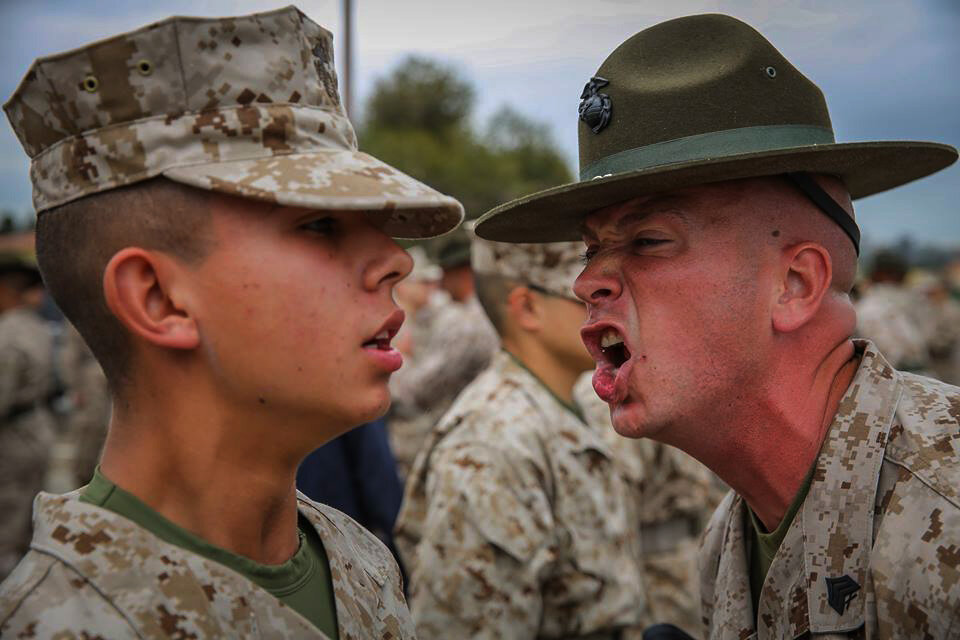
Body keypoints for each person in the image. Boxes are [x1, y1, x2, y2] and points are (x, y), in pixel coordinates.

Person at [475, 14, 959, 639]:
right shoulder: (728, 544)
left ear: (795, 285)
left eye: (649, 240)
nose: (586, 282)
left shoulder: (944, 512)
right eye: (590, 249)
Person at [0, 6, 463, 638]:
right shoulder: (55, 626)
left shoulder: (357, 562)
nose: (395, 259)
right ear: (158, 299)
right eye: (320, 224)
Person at [395, 238, 649, 639]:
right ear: (528, 309)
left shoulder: (577, 406)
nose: (611, 311)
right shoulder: (491, 444)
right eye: (582, 299)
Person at [573, 373, 726, 636]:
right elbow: (617, 507)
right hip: (648, 580)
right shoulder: (611, 392)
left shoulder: (688, 381)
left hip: (694, 568)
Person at [388, 226, 498, 480]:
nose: (440, 284)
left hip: (467, 449)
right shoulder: (484, 312)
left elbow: (416, 393)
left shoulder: (467, 324)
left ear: (461, 272)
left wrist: (400, 356)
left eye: (444, 274)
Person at [0, 254, 57, 581]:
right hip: (37, 429)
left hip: (12, 439)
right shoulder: (36, 328)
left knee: (6, 524)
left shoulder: (7, 333)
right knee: (26, 519)